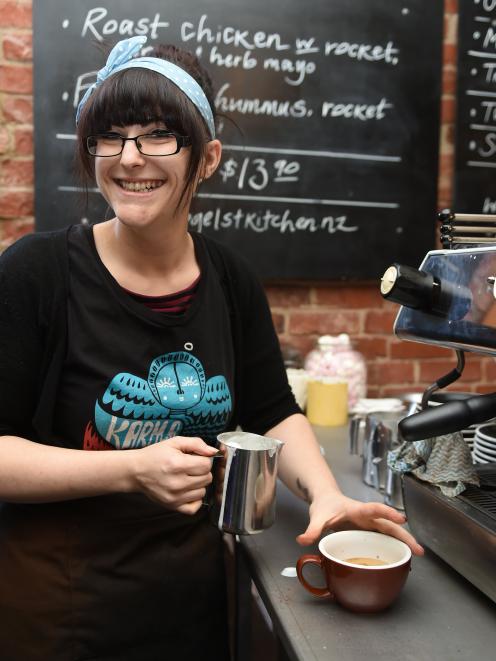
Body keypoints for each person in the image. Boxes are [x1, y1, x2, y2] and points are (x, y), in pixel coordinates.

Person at [0, 35, 423, 661]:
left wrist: (327, 496)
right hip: (65, 609)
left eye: (157, 135)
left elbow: (273, 408)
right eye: (110, 136)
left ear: (208, 157)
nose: (129, 158)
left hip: (193, 600)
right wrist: (132, 469)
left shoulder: (228, 278)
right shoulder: (39, 271)